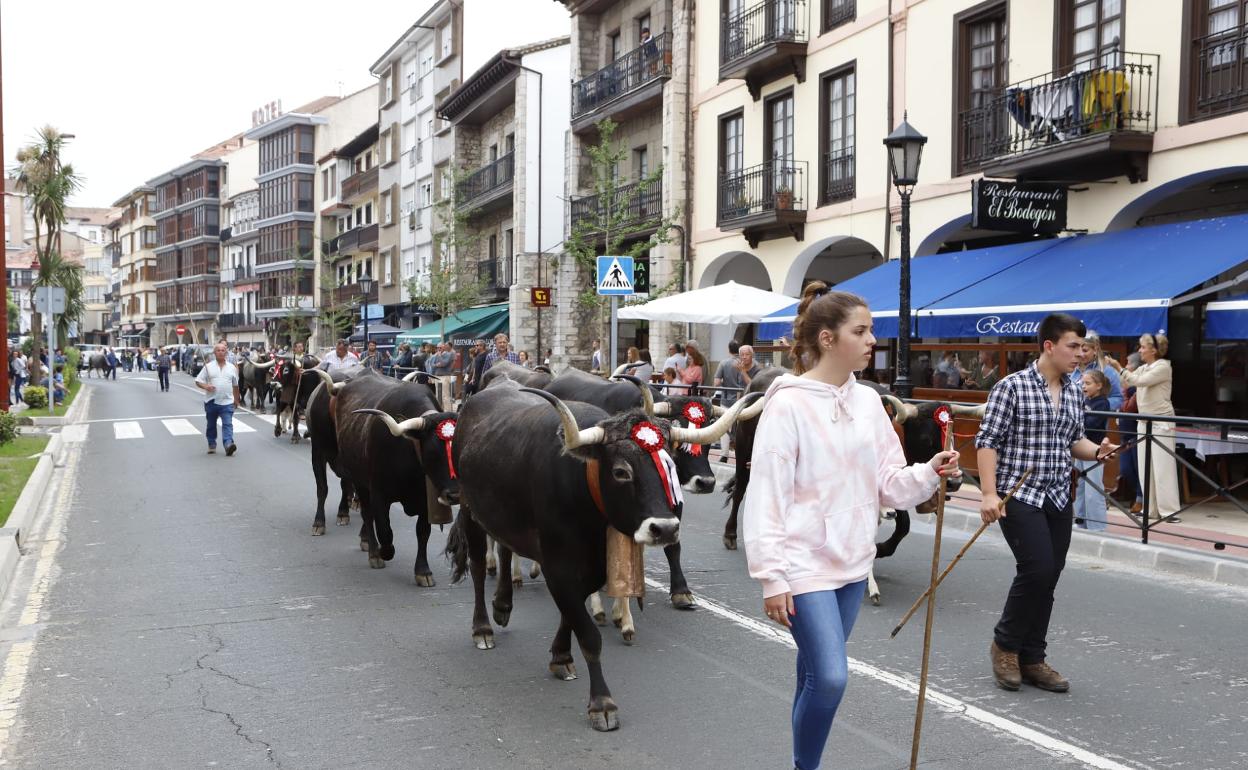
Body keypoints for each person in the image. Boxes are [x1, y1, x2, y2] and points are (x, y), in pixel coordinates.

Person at [742, 282, 960, 770]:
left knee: (815, 673)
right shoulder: (788, 403)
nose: (871, 341)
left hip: (853, 559)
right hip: (803, 563)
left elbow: (887, 482)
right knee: (833, 677)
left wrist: (929, 472)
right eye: (860, 332)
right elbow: (767, 493)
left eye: (871, 331)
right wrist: (772, 575)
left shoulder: (868, 402)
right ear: (826, 339)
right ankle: (807, 767)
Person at [976, 313, 1117, 694]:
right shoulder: (1012, 387)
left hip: (1057, 494)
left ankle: (1032, 657)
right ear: (1049, 346)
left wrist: (1098, 452)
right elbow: (987, 441)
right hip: (1018, 493)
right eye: (1073, 346)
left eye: (1083, 347)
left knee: (1049, 576)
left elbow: (1075, 441)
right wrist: (989, 494)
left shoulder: (1074, 390)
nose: (1080, 354)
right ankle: (1005, 646)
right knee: (1036, 569)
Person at [1104, 333, 1180, 523]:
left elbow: (1139, 382)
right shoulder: (1145, 367)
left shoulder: (1163, 367)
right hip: (1144, 421)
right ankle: (1150, 508)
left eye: (1142, 347)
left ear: (1153, 350)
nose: (1140, 350)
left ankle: (1168, 511)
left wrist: (1118, 367)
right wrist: (1114, 370)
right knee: (1145, 467)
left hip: (1161, 422)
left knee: (1163, 467)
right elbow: (1128, 381)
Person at [1074, 370, 1112, 532]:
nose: (1084, 386)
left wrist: (1078, 419)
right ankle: (1081, 519)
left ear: (1099, 386)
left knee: (1094, 487)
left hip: (1095, 450)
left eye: (1088, 383)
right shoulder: (1084, 400)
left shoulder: (1102, 403)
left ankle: (1098, 525)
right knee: (1080, 486)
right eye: (1083, 383)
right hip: (1081, 447)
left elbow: (1092, 422)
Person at [195, 342, 242, 456]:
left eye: (223, 350)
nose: (221, 352)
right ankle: (211, 443)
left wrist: (236, 399)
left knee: (228, 424)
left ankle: (228, 445)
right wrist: (206, 386)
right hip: (211, 401)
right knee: (211, 425)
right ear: (214, 353)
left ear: (226, 353)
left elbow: (235, 385)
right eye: (218, 350)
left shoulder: (232, 368)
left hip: (227, 401)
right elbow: (198, 381)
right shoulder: (208, 366)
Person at [1080, 332, 1123, 410]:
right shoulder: (1070, 368)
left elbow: (1119, 398)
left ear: (1095, 350)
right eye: (1079, 350)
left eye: (1085, 350)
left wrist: (1097, 407)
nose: (1081, 354)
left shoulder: (1107, 371)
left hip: (1094, 420)